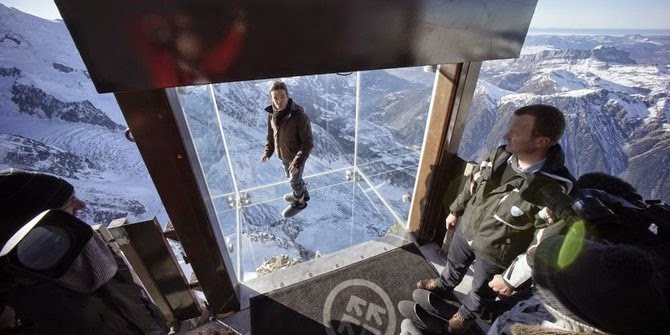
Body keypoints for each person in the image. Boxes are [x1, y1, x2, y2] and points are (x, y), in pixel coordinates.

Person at [408, 104, 574, 334]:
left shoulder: (553, 190)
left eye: (515, 133)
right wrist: (456, 210)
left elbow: (544, 243)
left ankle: (464, 317)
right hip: (468, 230)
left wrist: (510, 280)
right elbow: (473, 183)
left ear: (541, 141)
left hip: (496, 253)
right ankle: (444, 285)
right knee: (454, 264)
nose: (505, 135)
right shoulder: (500, 155)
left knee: (480, 292)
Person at [0, 168, 168, 334]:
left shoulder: (87, 243)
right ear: (36, 223)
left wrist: (156, 325)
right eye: (68, 202)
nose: (82, 205)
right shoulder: (15, 296)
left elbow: (131, 292)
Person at [260, 81, 314, 217]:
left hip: (296, 157)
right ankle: (302, 192)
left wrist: (297, 162)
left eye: (282, 97)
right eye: (275, 98)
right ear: (271, 99)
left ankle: (300, 202)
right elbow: (271, 135)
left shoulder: (299, 115)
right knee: (292, 178)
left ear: (288, 96)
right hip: (283, 155)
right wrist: (268, 151)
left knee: (294, 181)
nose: (279, 101)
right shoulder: (272, 113)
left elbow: (307, 143)